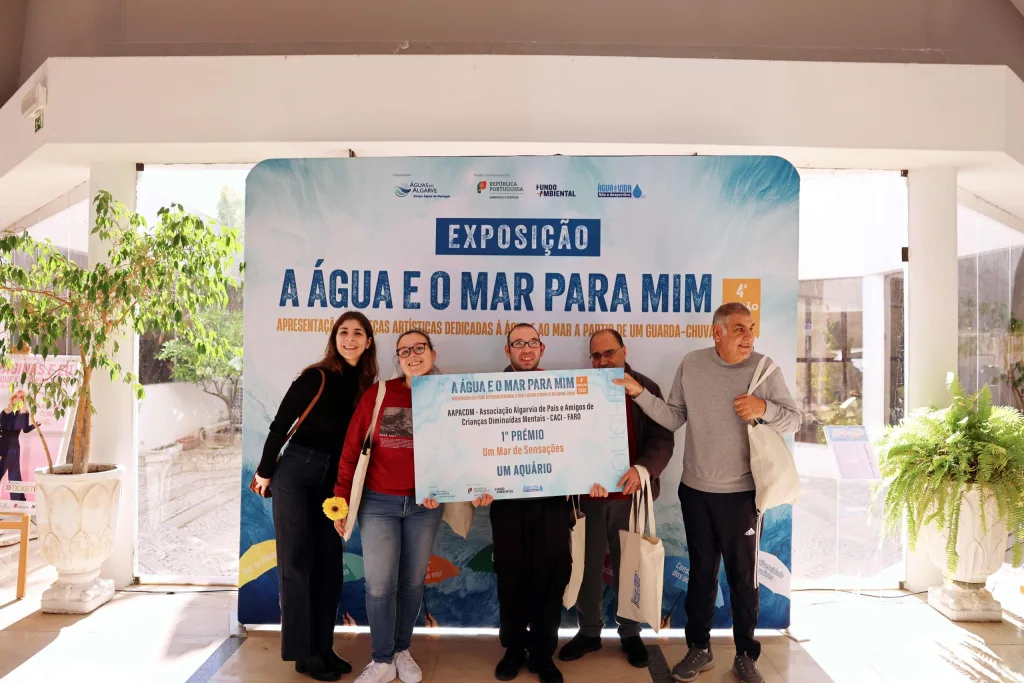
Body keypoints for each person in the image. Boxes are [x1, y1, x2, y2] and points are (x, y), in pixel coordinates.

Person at [616, 303, 799, 683]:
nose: (749, 336)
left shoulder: (765, 370)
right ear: (717, 332)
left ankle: (746, 654)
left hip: (743, 496)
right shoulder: (693, 364)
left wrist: (763, 407)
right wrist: (639, 393)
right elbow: (673, 417)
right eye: (739, 328)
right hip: (695, 491)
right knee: (701, 575)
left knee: (743, 578)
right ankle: (699, 648)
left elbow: (794, 421)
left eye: (751, 328)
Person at [334, 330, 493, 683]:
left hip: (425, 507)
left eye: (419, 348)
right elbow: (350, 451)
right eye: (404, 351)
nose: (412, 355)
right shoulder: (380, 394)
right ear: (398, 359)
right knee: (379, 585)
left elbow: (464, 451)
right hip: (378, 504)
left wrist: (471, 486)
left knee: (411, 583)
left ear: (433, 354)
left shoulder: (450, 397)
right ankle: (381, 659)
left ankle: (401, 649)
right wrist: (341, 500)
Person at [252, 311, 378, 682]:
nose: (350, 339)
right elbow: (280, 426)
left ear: (368, 342)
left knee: (328, 567)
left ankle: (322, 648)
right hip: (297, 472)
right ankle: (303, 653)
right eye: (344, 332)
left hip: (334, 480)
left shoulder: (367, 386)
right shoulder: (316, 377)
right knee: (296, 565)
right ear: (334, 338)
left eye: (358, 333)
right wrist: (264, 471)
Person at [491, 323, 609, 683]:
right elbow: (475, 447)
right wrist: (474, 482)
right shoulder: (486, 392)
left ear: (542, 348)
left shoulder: (562, 389)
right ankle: (513, 649)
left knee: (550, 578)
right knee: (511, 578)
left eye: (532, 343)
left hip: (552, 502)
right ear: (507, 350)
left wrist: (596, 475)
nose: (525, 349)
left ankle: (543, 655)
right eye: (518, 343)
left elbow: (582, 440)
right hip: (508, 503)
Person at [558, 329, 675, 668]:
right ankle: (589, 632)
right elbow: (565, 440)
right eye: (596, 356)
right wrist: (578, 475)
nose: (602, 361)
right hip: (590, 497)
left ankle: (630, 633)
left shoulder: (645, 388)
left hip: (630, 496)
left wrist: (643, 469)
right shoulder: (577, 387)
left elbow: (662, 437)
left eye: (608, 353)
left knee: (631, 565)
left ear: (624, 351)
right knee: (586, 565)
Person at [0, 389, 35, 504]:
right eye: (16, 396)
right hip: (3, 446)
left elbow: (25, 430)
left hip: (15, 448)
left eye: (21, 397)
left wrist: (37, 424)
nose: (18, 399)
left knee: (15, 476)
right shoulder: (5, 412)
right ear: (12, 398)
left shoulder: (24, 414)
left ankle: (18, 503)